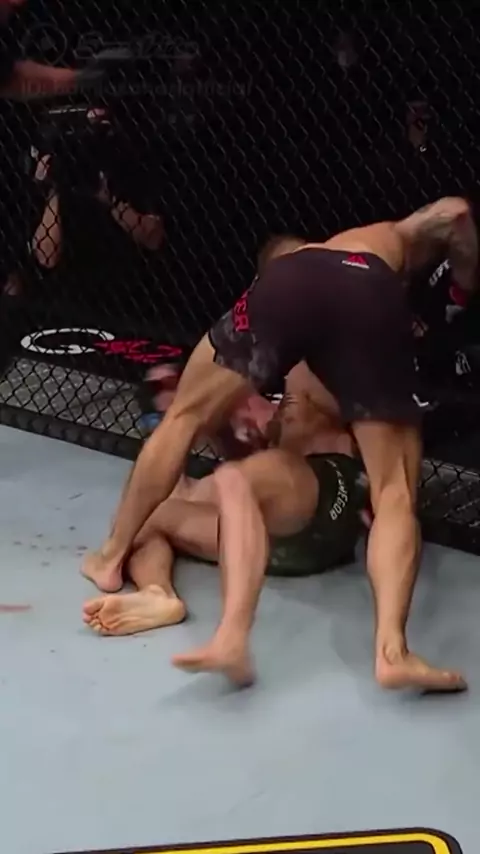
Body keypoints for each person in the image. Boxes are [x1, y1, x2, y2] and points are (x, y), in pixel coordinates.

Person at [83, 200, 478, 692]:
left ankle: (111, 556)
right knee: (391, 491)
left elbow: (196, 421)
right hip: (286, 511)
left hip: (324, 493)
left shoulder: (300, 300)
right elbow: (456, 213)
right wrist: (463, 285)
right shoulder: (382, 245)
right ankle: (390, 651)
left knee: (187, 427)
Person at [83, 361, 367, 687]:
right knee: (147, 510)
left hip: (328, 494)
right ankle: (157, 592)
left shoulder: (324, 364)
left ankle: (231, 636)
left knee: (240, 475)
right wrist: (202, 421)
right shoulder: (264, 377)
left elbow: (377, 434)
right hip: (274, 544)